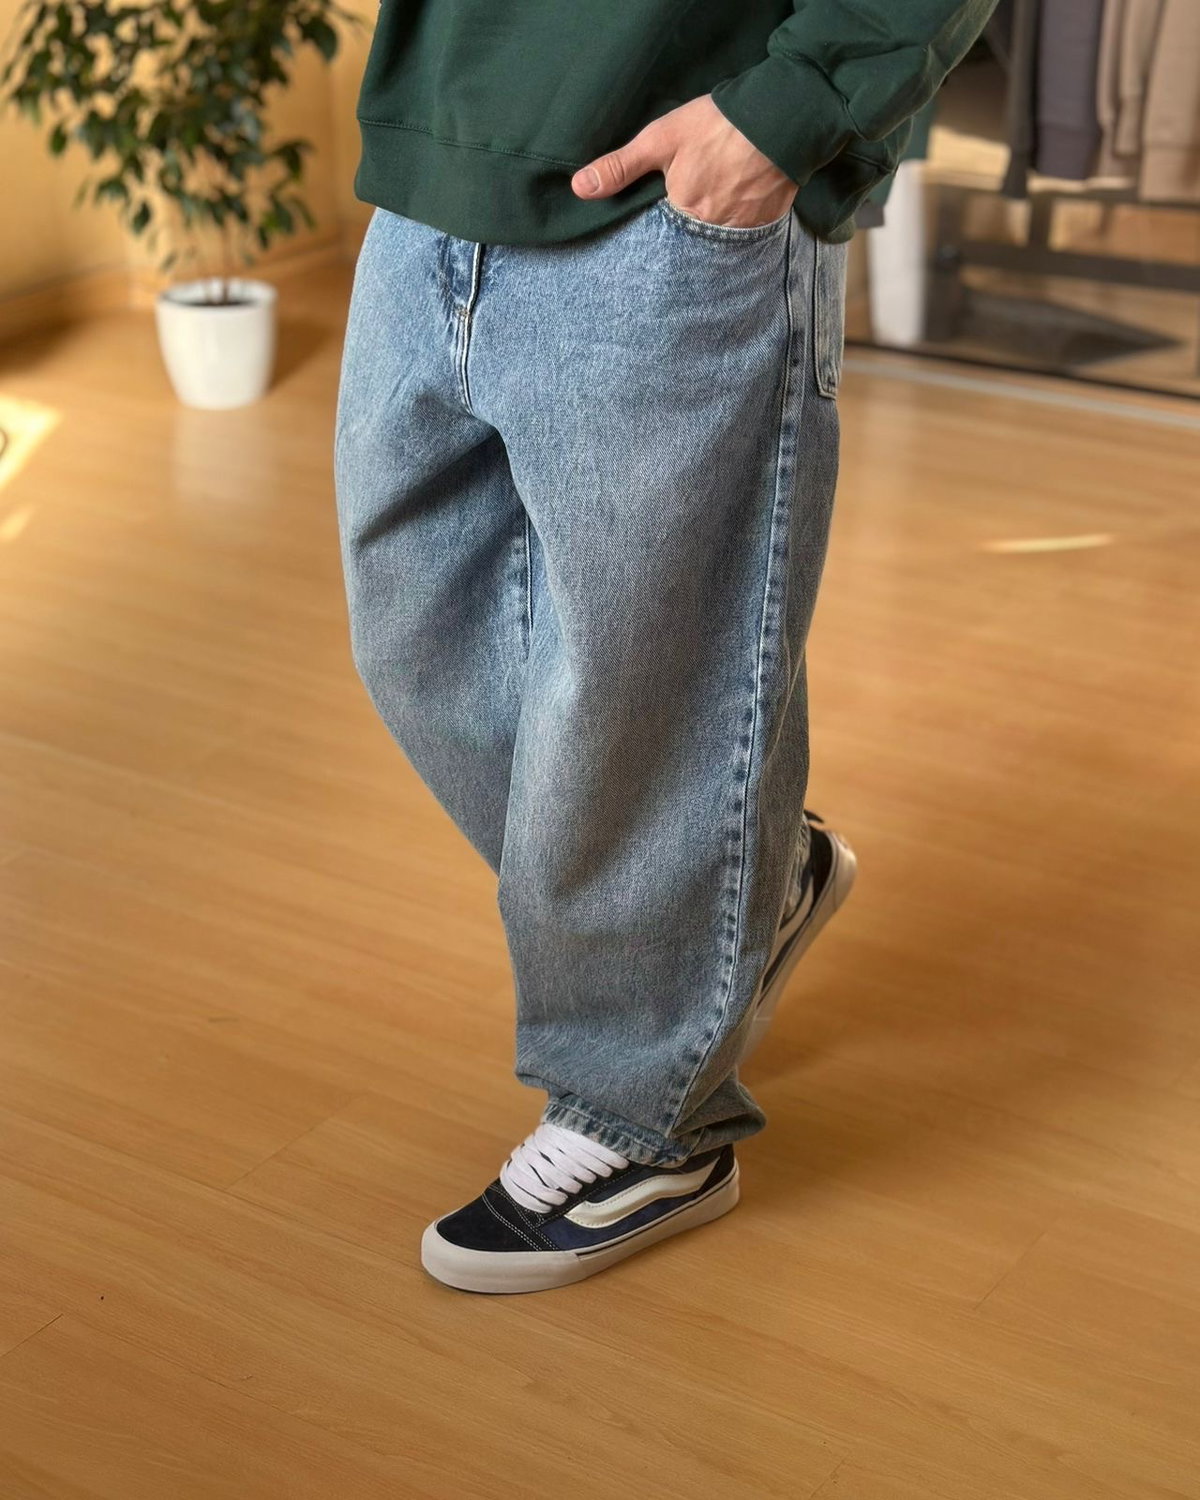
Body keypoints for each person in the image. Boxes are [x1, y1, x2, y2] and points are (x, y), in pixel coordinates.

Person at [333, 0, 999, 1295]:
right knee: (413, 636)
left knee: (645, 681)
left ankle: (645, 1125)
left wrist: (788, 113)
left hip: (680, 172)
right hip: (437, 150)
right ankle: (740, 878)